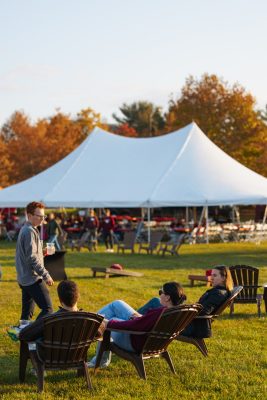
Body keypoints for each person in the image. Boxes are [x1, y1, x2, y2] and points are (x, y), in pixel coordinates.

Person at [88, 282, 186, 368]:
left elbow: (134, 326)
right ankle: (90, 325)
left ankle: (88, 329)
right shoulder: (178, 313)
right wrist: (139, 319)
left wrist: (108, 323)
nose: (160, 295)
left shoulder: (160, 312)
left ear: (168, 297)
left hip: (135, 342)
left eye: (161, 292)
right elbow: (143, 323)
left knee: (109, 319)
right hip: (149, 339)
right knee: (117, 304)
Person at [16, 201, 54, 321]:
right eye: (39, 216)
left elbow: (28, 253)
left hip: (25, 278)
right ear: (29, 215)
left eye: (44, 216)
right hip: (32, 278)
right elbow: (31, 258)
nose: (42, 218)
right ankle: (33, 333)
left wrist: (41, 253)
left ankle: (22, 335)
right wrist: (46, 275)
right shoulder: (29, 231)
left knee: (27, 314)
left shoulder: (29, 229)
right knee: (48, 309)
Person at [181, 265, 233, 338]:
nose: (211, 278)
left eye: (214, 275)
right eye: (211, 275)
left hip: (194, 328)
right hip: (192, 324)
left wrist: (185, 313)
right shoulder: (219, 291)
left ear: (223, 278)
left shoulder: (218, 294)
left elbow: (204, 311)